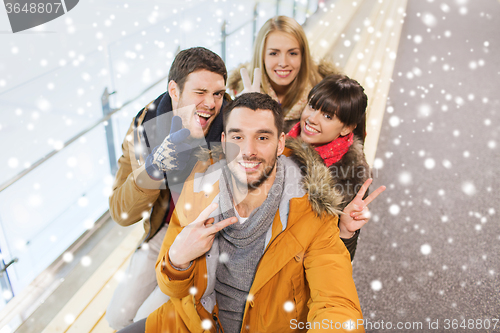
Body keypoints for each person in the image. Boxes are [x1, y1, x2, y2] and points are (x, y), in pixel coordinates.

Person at [118, 93, 366, 333]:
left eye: (262, 138)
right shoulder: (196, 190)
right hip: (193, 322)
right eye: (238, 137)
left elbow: (336, 303)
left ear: (280, 144)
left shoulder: (313, 211)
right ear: (224, 142)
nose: (248, 151)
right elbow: (171, 287)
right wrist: (176, 261)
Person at [106, 47, 229, 330]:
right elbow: (121, 213)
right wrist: (152, 169)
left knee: (146, 322)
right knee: (116, 318)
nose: (211, 104)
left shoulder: (232, 123)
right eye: (200, 92)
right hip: (165, 229)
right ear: (174, 90)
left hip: (206, 238)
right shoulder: (144, 127)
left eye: (218, 94)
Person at [285, 74, 386, 259]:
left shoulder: (353, 175)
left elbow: (339, 260)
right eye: (312, 106)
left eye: (327, 116)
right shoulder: (281, 134)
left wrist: (346, 232)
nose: (312, 119)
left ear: (347, 128)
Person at [228, 15, 339, 132]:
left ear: (303, 56)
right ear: (262, 56)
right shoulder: (240, 92)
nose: (283, 63)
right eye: (274, 53)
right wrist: (240, 114)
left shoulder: (328, 94)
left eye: (292, 53)